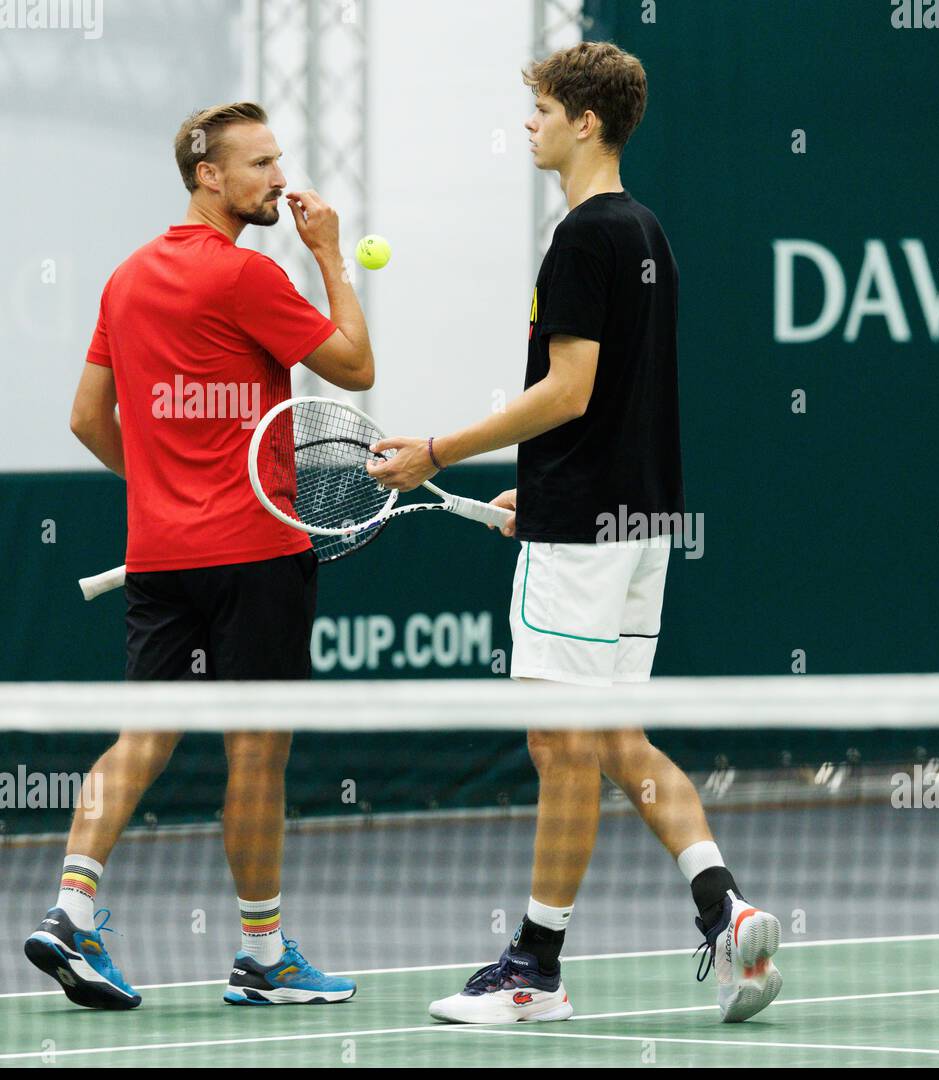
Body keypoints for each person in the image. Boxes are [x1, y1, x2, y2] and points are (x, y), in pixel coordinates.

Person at [366, 43, 783, 1024]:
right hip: (637, 525)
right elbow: (615, 407)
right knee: (611, 738)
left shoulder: (581, 240)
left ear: (584, 123)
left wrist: (434, 448)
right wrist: (536, 495)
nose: (529, 123)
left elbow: (569, 392)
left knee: (560, 748)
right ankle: (726, 910)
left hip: (588, 538)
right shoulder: (648, 235)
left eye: (543, 109)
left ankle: (533, 970)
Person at [24, 102, 372, 1009]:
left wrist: (164, 490)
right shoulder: (248, 276)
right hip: (256, 552)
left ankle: (72, 910)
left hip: (160, 554)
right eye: (259, 165)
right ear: (207, 175)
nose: (280, 180)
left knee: (141, 738)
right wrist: (331, 254)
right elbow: (356, 366)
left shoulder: (125, 278)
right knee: (255, 752)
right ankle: (262, 954)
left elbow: (85, 419)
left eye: (279, 160)